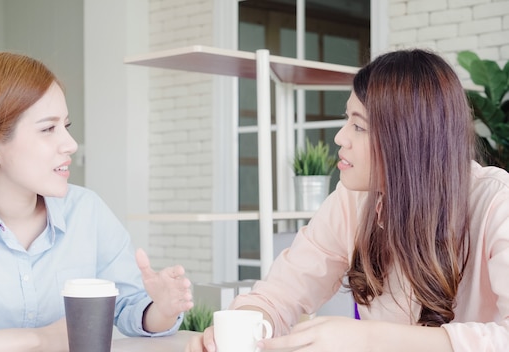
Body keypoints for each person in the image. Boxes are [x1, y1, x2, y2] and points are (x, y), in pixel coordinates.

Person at [186, 48, 509, 352]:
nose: (340, 137)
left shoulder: (496, 202)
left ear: (408, 139)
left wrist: (369, 337)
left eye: (358, 126)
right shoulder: (351, 201)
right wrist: (247, 322)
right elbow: (282, 293)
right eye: (347, 120)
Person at [0, 52, 193, 351]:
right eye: (48, 129)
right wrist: (40, 341)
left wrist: (162, 308)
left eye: (66, 126)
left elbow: (129, 306)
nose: (70, 144)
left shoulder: (87, 210)